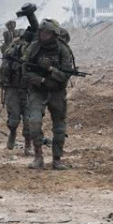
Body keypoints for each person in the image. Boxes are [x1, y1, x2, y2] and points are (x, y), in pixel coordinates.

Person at [24, 20, 77, 170]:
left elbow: (65, 75)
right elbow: (25, 71)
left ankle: (57, 159)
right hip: (38, 90)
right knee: (34, 122)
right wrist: (41, 80)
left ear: (54, 34)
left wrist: (50, 69)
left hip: (57, 91)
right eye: (41, 33)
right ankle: (38, 157)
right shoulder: (34, 48)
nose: (43, 36)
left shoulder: (63, 50)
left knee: (59, 127)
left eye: (47, 33)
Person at [0, 25, 34, 153]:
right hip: (13, 88)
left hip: (29, 89)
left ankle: (28, 145)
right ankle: (12, 135)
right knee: (14, 118)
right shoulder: (12, 51)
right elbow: (3, 71)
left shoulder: (35, 50)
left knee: (29, 119)